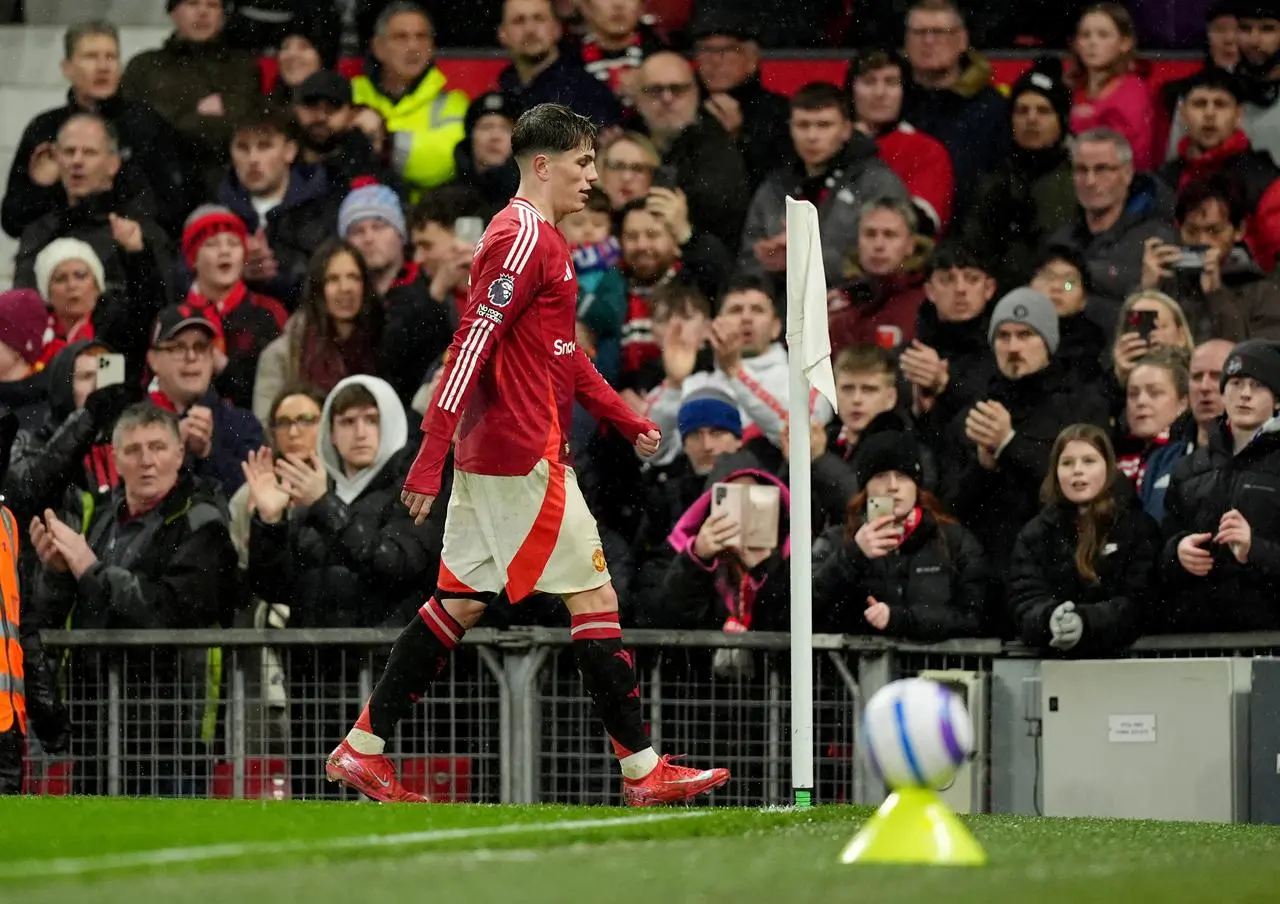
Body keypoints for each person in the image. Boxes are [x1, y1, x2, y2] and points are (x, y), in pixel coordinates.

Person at [325, 103, 730, 805]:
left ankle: (363, 748)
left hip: (500, 450)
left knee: (457, 603)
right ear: (542, 165)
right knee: (596, 598)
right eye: (583, 163)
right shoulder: (520, 239)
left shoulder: (538, 240)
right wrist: (429, 457)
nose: (593, 177)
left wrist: (622, 416)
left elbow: (561, 353)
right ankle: (642, 771)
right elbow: (470, 345)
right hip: (519, 453)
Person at [812, 430, 985, 641]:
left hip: (932, 672)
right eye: (881, 476)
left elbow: (975, 617)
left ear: (917, 485)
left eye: (903, 476)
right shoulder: (837, 541)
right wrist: (853, 556)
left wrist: (900, 619)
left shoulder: (953, 540)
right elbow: (800, 609)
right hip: (855, 671)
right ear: (865, 487)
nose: (893, 487)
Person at [1008, 424, 1160, 656]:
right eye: (1067, 463)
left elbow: (1140, 602)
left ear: (1108, 468)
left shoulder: (1137, 527)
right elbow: (1025, 601)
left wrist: (1085, 621)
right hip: (1055, 665)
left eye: (1089, 461)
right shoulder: (1034, 534)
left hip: (1123, 662)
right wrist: (1051, 619)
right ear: (1055, 471)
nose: (1077, 471)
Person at [1162, 339, 1280, 632]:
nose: (1245, 394)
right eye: (1237, 383)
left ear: (1278, 399)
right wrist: (1177, 552)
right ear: (1223, 392)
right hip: (1199, 638)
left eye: (1259, 385)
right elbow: (1157, 551)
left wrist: (1256, 550)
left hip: (1268, 637)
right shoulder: (1187, 468)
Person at [1068, 4, 1157, 172]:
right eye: (1085, 35)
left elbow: (1134, 155)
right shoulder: (1073, 87)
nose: (1092, 43)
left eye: (1103, 35)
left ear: (1125, 43)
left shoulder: (1134, 91)